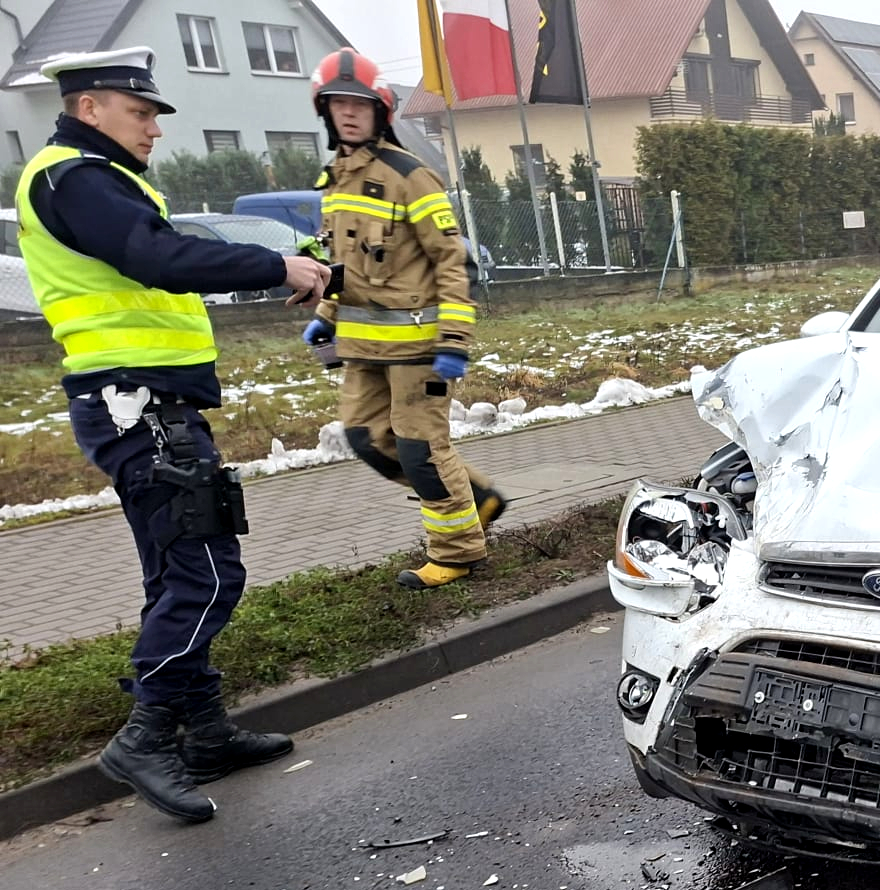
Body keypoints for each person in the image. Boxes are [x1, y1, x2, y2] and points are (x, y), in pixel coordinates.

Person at [13, 48, 330, 823]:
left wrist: (300, 268)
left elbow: (156, 266)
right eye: (141, 111)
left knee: (175, 572)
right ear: (90, 108)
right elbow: (157, 259)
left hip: (146, 404)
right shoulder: (73, 178)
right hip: (139, 407)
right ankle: (147, 735)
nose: (154, 127)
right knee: (208, 576)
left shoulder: (102, 181)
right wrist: (273, 264)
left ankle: (205, 732)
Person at [302, 48, 508, 590]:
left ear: (380, 111)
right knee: (366, 438)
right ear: (324, 112)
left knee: (420, 450)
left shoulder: (411, 177)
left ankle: (459, 551)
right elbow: (343, 263)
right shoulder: (333, 182)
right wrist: (326, 312)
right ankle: (475, 500)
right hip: (361, 346)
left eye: (359, 103)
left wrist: (455, 340)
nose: (348, 112)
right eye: (338, 103)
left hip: (419, 346)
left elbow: (452, 260)